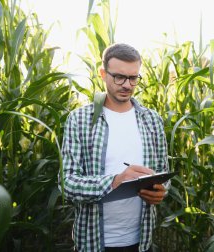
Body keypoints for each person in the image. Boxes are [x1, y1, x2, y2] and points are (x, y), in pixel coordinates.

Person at [60, 43, 169, 252]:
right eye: (119, 77)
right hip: (94, 240)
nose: (127, 85)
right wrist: (115, 181)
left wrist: (160, 192)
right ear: (103, 74)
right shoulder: (80, 120)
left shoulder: (152, 121)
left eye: (133, 78)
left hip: (140, 240)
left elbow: (162, 174)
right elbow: (66, 183)